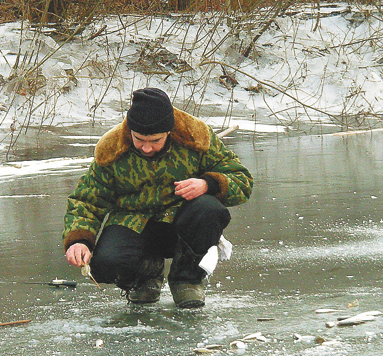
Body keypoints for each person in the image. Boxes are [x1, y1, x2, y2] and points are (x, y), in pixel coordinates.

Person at [63, 88, 253, 308]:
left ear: (169, 132)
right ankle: (145, 275)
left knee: (210, 210)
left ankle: (187, 279)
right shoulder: (111, 150)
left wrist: (207, 184)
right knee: (105, 264)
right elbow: (87, 200)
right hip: (133, 223)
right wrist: (78, 239)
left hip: (182, 222)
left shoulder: (196, 138)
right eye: (139, 139)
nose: (146, 147)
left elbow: (242, 180)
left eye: (154, 140)